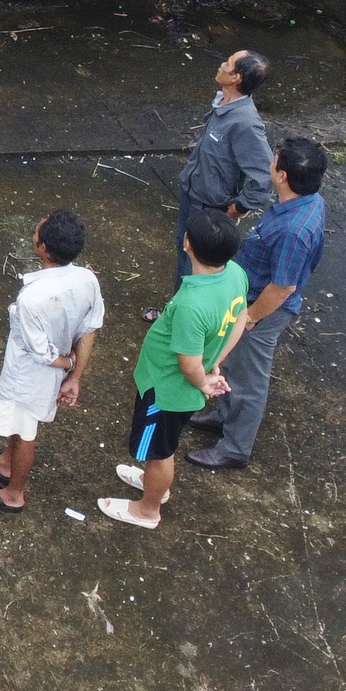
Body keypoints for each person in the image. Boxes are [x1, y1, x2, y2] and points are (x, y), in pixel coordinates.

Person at [100, 208, 248, 530]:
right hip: (179, 385)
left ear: (186, 244)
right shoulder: (235, 273)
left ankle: (148, 509)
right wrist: (215, 363)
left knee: (159, 451)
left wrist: (203, 380)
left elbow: (188, 364)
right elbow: (241, 318)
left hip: (166, 389)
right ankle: (153, 482)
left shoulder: (191, 305)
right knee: (162, 445)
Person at [187, 138, 327, 470]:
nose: (270, 160)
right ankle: (224, 415)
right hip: (251, 300)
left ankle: (235, 447)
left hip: (263, 308)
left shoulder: (294, 230)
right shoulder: (305, 201)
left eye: (275, 159)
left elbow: (283, 287)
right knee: (233, 364)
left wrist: (249, 318)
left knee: (249, 378)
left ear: (282, 175)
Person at [0, 210, 102, 513]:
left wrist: (68, 364)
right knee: (19, 424)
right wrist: (75, 377)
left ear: (43, 248)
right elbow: (89, 329)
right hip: (49, 371)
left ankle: (14, 494)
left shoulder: (32, 297)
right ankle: (4, 463)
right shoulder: (87, 279)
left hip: (30, 374)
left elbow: (44, 354)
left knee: (26, 431)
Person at [173, 50, 273, 278]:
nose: (222, 65)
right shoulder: (222, 103)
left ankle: (185, 311)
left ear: (236, 78)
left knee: (194, 264)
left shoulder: (245, 123)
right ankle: (176, 308)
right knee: (184, 249)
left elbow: (264, 177)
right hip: (192, 194)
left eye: (228, 63)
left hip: (209, 206)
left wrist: (238, 208)